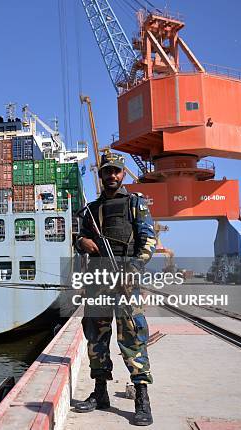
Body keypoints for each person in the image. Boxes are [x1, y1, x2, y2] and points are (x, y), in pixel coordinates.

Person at [74, 153, 156, 426]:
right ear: (100, 175)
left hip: (125, 280)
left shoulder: (135, 204)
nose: (111, 175)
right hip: (98, 280)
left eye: (116, 171)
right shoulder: (91, 210)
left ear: (123, 173)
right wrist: (82, 242)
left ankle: (141, 397)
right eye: (106, 171)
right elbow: (80, 239)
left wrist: (132, 271)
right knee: (96, 337)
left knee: (132, 336)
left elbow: (148, 242)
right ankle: (100, 393)